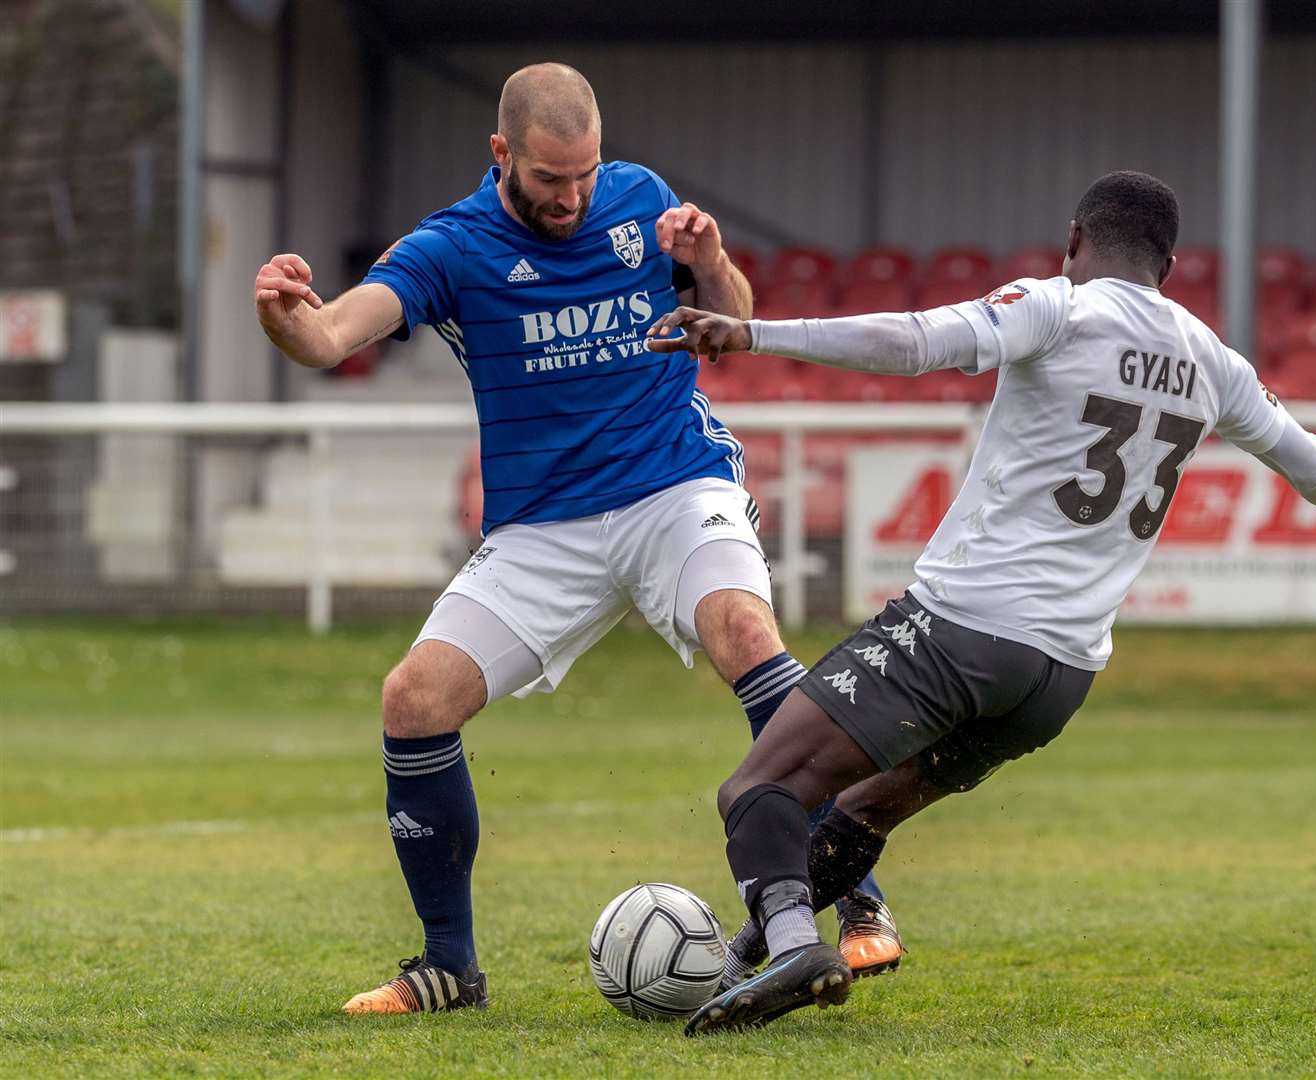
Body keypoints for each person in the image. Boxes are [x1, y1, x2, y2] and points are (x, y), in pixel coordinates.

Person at [644, 171, 1316, 1034]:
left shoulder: (1058, 305)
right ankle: (750, 956)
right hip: (1058, 679)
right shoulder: (1213, 361)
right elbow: (1310, 462)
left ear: (1073, 240)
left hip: (963, 630)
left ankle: (796, 941)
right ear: (1170, 266)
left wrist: (751, 332)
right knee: (866, 806)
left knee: (759, 784)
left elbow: (917, 340)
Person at [251, 63, 898, 1015]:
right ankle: (448, 968)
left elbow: (738, 324)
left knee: (745, 634)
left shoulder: (640, 201)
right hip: (544, 523)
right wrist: (289, 320)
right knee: (414, 699)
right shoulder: (453, 246)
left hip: (673, 482)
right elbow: (335, 334)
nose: (575, 197)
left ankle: (854, 900)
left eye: (586, 174)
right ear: (501, 154)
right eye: (553, 179)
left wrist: (711, 259)